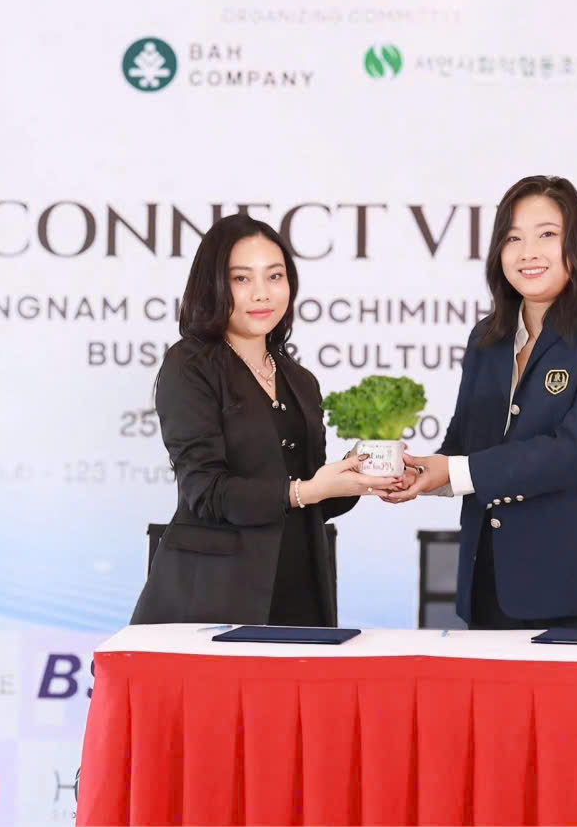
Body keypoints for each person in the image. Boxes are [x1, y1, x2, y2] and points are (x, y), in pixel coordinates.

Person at [387, 175, 577, 629]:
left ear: (576, 244)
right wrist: (414, 472)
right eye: (513, 238)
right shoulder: (487, 338)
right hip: (489, 591)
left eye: (546, 234)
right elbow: (466, 446)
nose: (528, 252)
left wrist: (455, 471)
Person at [130, 214, 394, 626]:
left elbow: (313, 498)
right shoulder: (190, 365)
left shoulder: (299, 379)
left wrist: (357, 474)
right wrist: (306, 491)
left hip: (300, 591)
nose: (261, 293)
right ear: (213, 285)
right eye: (241, 278)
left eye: (275, 276)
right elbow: (205, 492)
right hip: (214, 597)